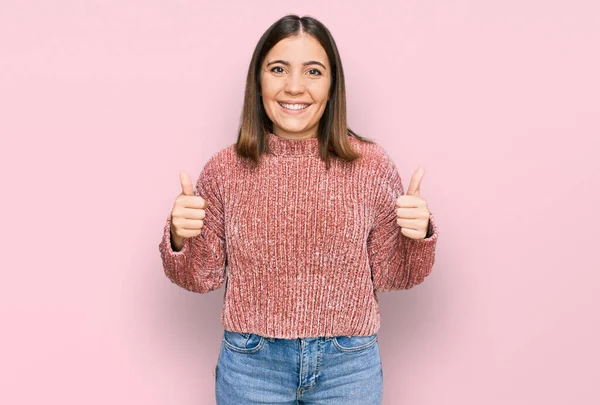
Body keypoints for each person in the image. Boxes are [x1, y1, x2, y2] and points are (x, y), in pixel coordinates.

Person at [158, 14, 439, 405]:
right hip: (251, 364)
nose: (294, 86)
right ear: (258, 83)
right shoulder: (225, 169)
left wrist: (417, 236)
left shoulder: (371, 166)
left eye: (313, 71)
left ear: (332, 85)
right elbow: (200, 278)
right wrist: (179, 237)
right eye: (278, 69)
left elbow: (396, 276)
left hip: (348, 367)